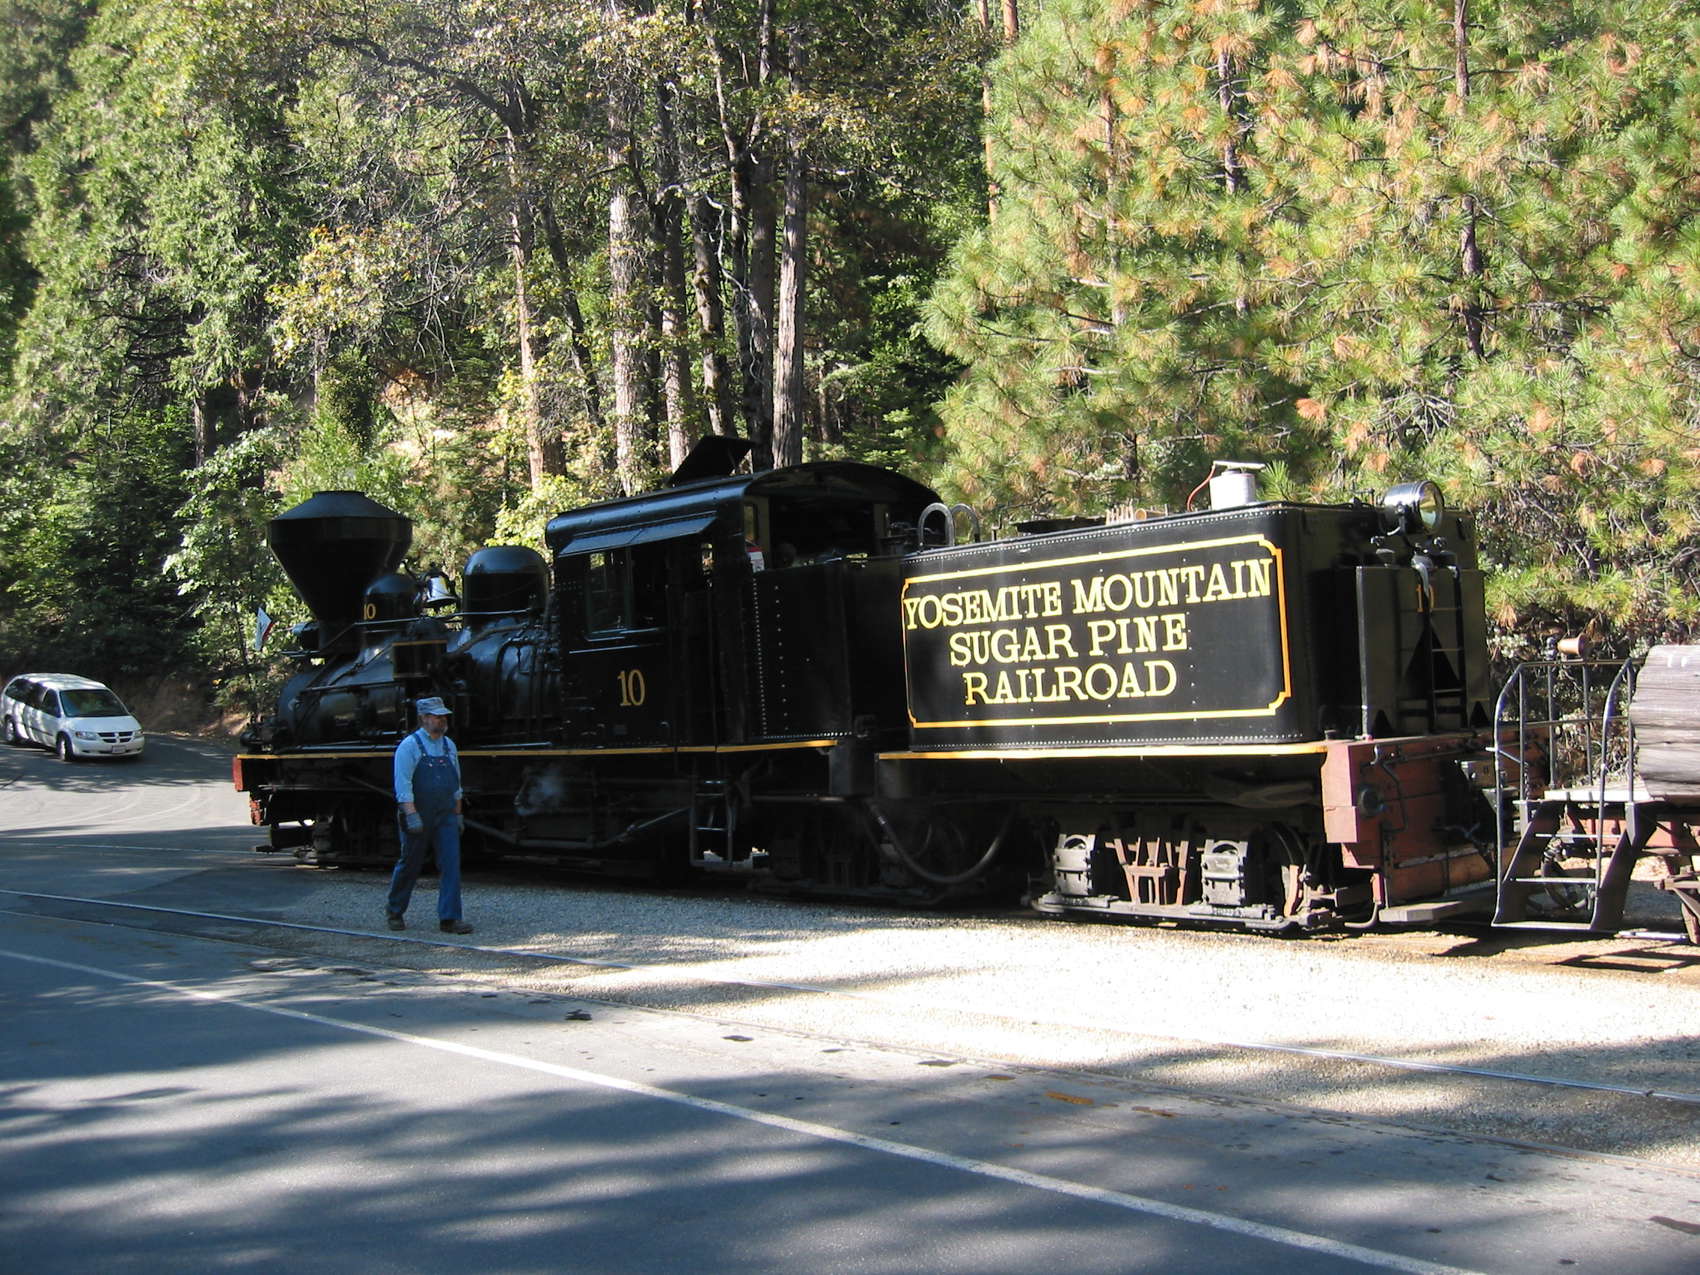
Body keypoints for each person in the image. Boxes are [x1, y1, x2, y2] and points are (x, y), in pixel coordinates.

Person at [387, 695, 473, 934]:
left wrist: (458, 813)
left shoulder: (449, 746)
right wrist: (411, 814)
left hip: (445, 814)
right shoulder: (409, 746)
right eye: (437, 716)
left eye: (444, 716)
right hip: (418, 813)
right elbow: (403, 785)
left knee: (451, 864)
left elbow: (456, 784)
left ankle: (450, 918)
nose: (442, 720)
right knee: (410, 864)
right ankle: (394, 910)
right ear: (424, 718)